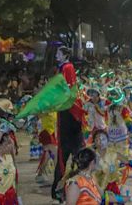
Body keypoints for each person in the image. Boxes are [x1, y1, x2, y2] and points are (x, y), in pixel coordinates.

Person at [52, 46, 85, 201]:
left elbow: (68, 89)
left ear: (65, 55)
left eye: (59, 53)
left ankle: (78, 187)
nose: (56, 55)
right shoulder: (61, 68)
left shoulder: (68, 67)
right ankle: (60, 188)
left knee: (74, 154)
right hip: (65, 114)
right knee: (64, 155)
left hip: (69, 115)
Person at [65, 147, 132, 205]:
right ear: (92, 163)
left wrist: (130, 198)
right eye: (98, 159)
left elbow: (105, 196)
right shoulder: (74, 183)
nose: (100, 162)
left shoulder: (91, 178)